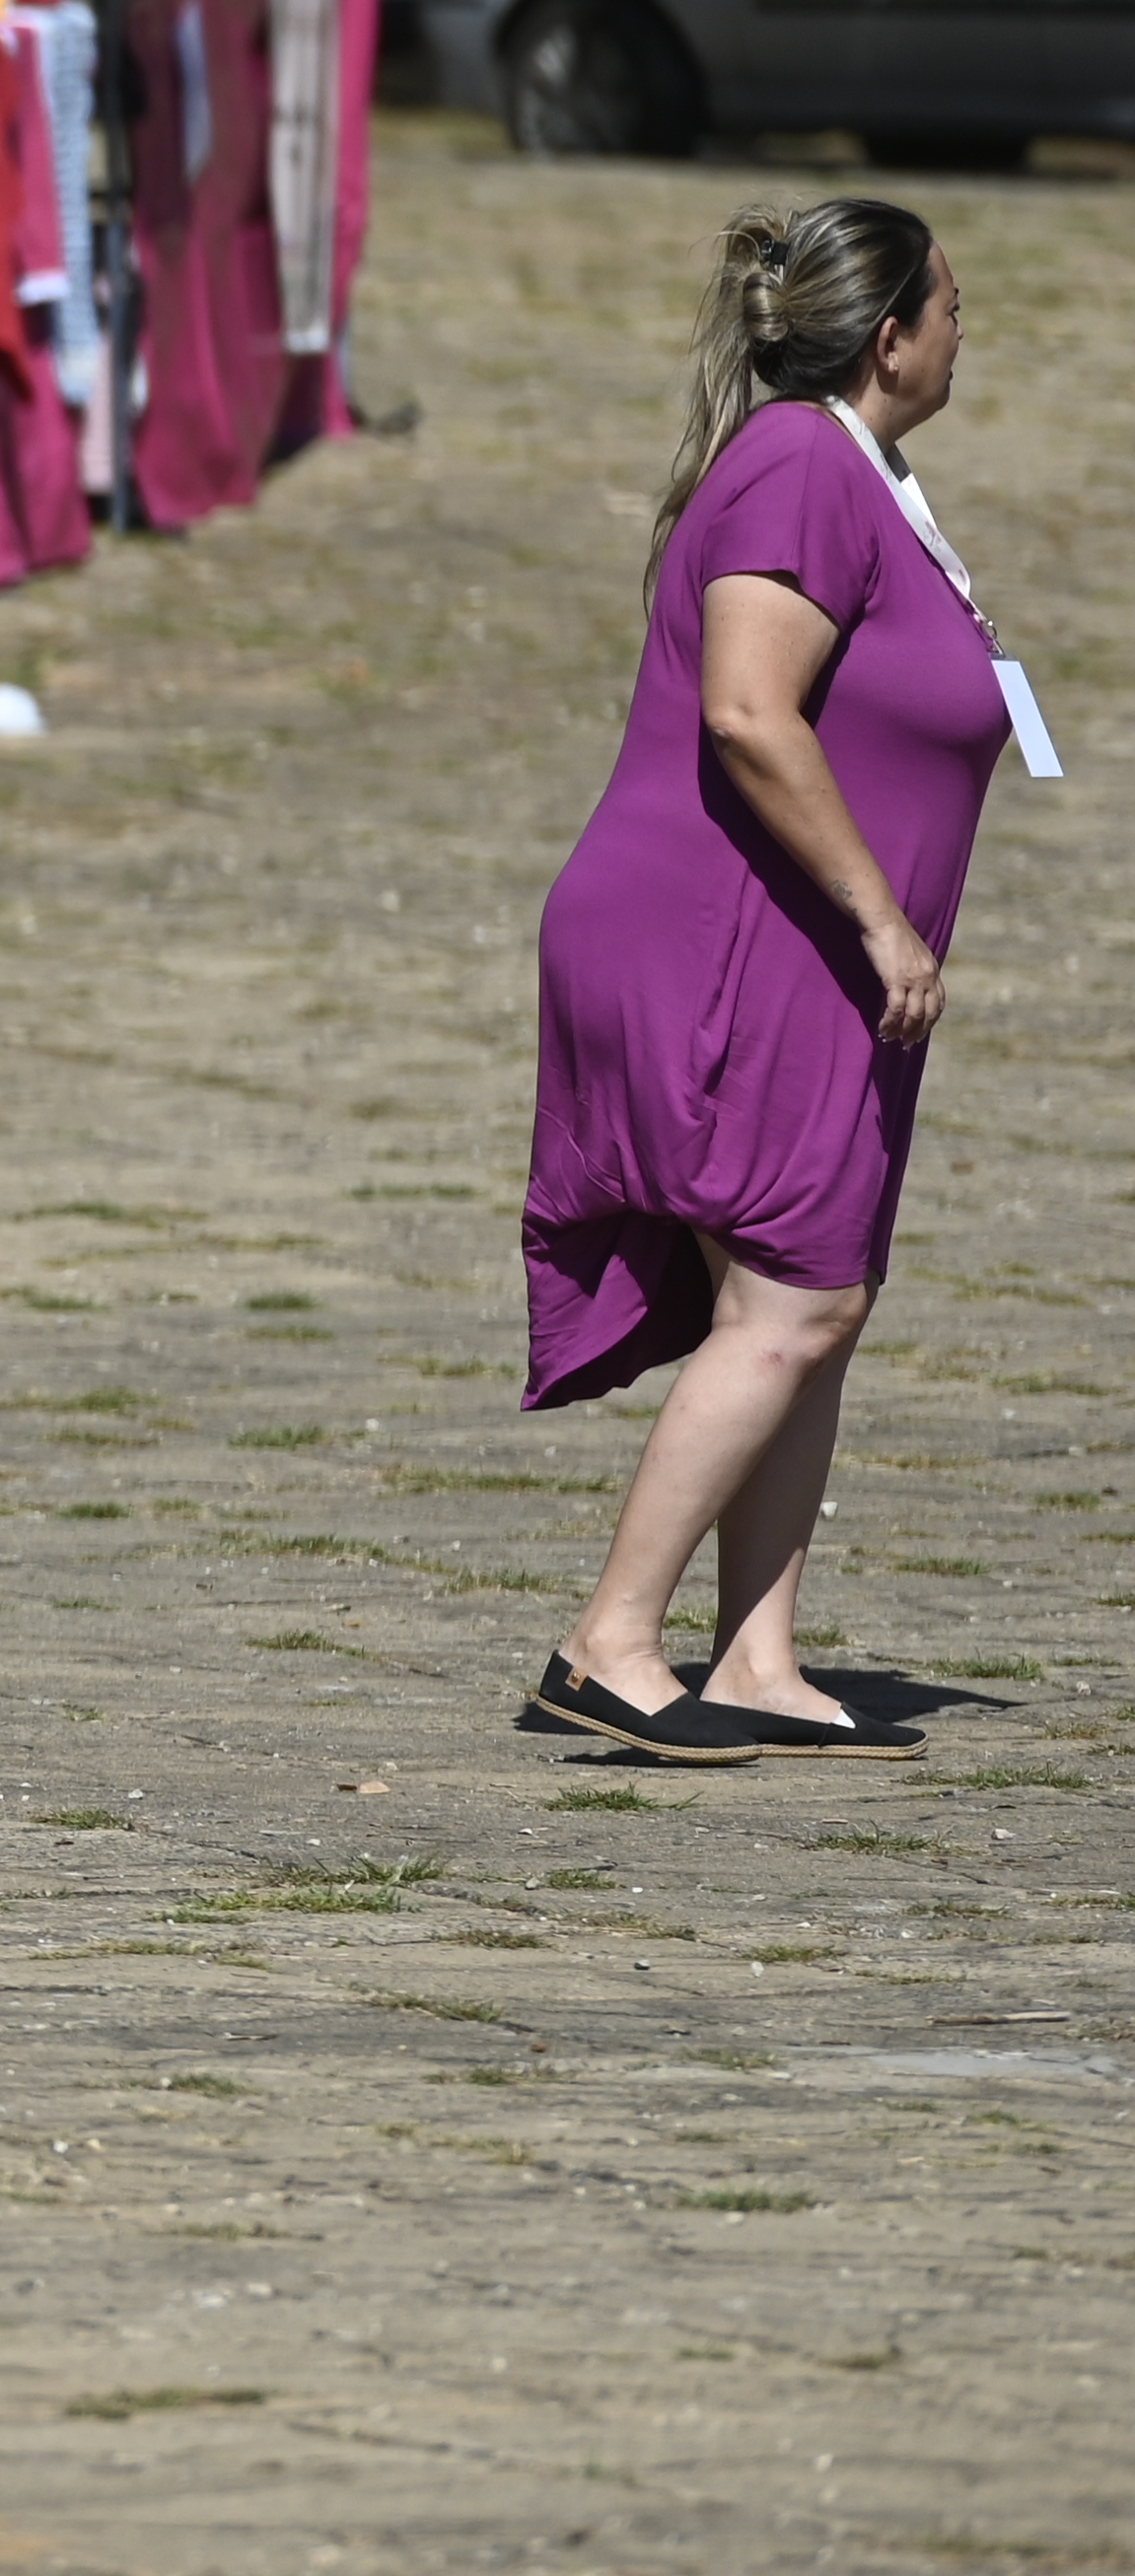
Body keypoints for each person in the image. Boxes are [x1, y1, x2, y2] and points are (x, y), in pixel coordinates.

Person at [520, 198, 1012, 1763]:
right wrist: (880, 919)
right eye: (953, 303)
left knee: (811, 1296)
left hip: (804, 945)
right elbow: (748, 711)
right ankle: (610, 1639)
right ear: (890, 336)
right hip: (742, 931)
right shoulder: (803, 465)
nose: (963, 328)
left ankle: (757, 1657)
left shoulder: (859, 472)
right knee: (801, 1298)